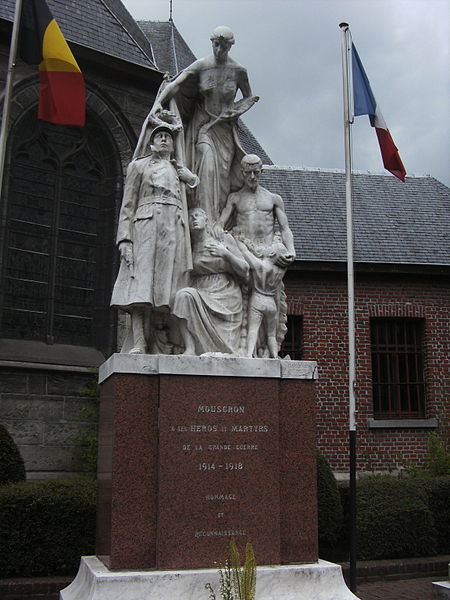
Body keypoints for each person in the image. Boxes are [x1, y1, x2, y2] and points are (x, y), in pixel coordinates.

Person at [147, 26, 259, 223]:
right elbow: (175, 85)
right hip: (204, 126)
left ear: (229, 47)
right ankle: (204, 221)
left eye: (223, 47)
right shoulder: (201, 66)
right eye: (216, 45)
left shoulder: (239, 71)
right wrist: (158, 103)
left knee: (223, 179)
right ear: (212, 43)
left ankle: (218, 226)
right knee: (207, 169)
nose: (218, 50)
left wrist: (235, 111)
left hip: (224, 129)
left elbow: (248, 97)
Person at [110, 125, 199, 354]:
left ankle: (168, 341)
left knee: (170, 288)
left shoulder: (178, 170)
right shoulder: (139, 167)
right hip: (146, 227)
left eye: (167, 137)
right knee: (141, 286)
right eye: (159, 136)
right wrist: (125, 240)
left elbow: (199, 201)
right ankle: (140, 342)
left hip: (173, 229)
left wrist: (191, 179)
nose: (163, 139)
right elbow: (127, 206)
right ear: (151, 143)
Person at [173, 208, 249, 355]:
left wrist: (225, 254)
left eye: (197, 216)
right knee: (182, 296)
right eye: (190, 217)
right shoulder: (189, 246)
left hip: (226, 294)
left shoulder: (222, 239)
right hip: (201, 290)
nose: (194, 219)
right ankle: (190, 348)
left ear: (206, 220)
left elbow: (245, 269)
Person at [235, 240, 288, 358]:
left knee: (253, 330)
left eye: (270, 248)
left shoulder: (261, 266)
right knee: (271, 335)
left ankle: (248, 355)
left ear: (272, 253)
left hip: (258, 299)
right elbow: (287, 258)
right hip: (272, 304)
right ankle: (274, 356)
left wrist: (238, 240)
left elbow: (245, 252)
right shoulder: (281, 270)